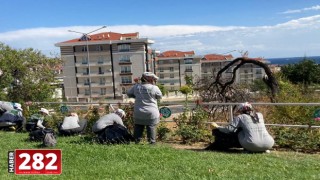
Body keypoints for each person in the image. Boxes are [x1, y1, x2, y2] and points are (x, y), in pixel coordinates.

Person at [206, 102, 274, 153]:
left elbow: (229, 129)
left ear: (241, 110)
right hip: (269, 143)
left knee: (240, 132)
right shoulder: (260, 115)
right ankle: (263, 148)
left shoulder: (240, 117)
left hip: (252, 144)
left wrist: (218, 127)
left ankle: (250, 148)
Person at [127, 72, 163, 144]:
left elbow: (129, 93)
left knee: (138, 127)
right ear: (149, 79)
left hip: (138, 112)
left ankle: (137, 143)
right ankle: (152, 143)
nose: (154, 81)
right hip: (151, 112)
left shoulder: (136, 87)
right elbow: (159, 96)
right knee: (151, 127)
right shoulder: (154, 87)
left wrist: (136, 96)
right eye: (153, 79)